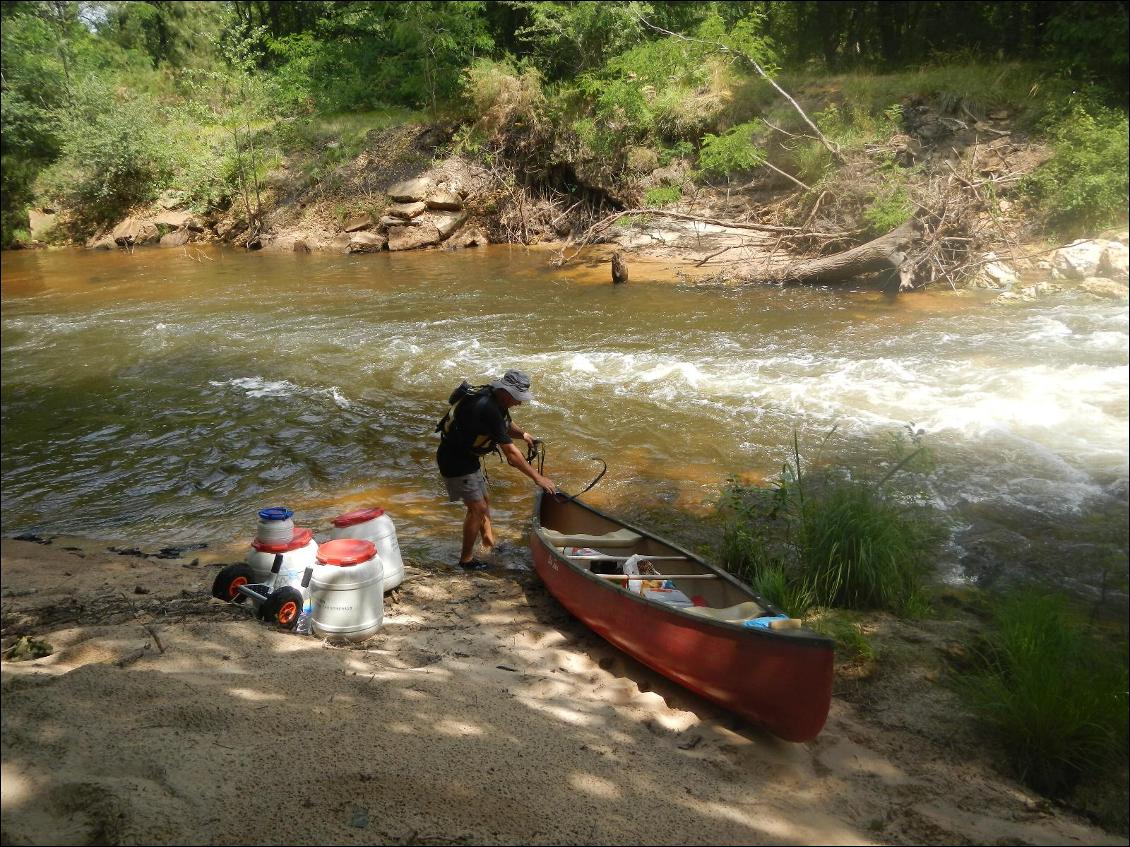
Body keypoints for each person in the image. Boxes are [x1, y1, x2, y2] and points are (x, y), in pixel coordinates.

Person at [436, 369, 556, 569]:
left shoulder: (494, 398)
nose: (519, 402)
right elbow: (511, 455)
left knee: (484, 501)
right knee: (477, 509)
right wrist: (538, 478)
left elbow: (504, 425)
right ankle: (466, 560)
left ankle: (488, 543)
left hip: (466, 457)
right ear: (506, 392)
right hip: (455, 460)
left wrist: (524, 434)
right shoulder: (488, 407)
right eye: (517, 398)